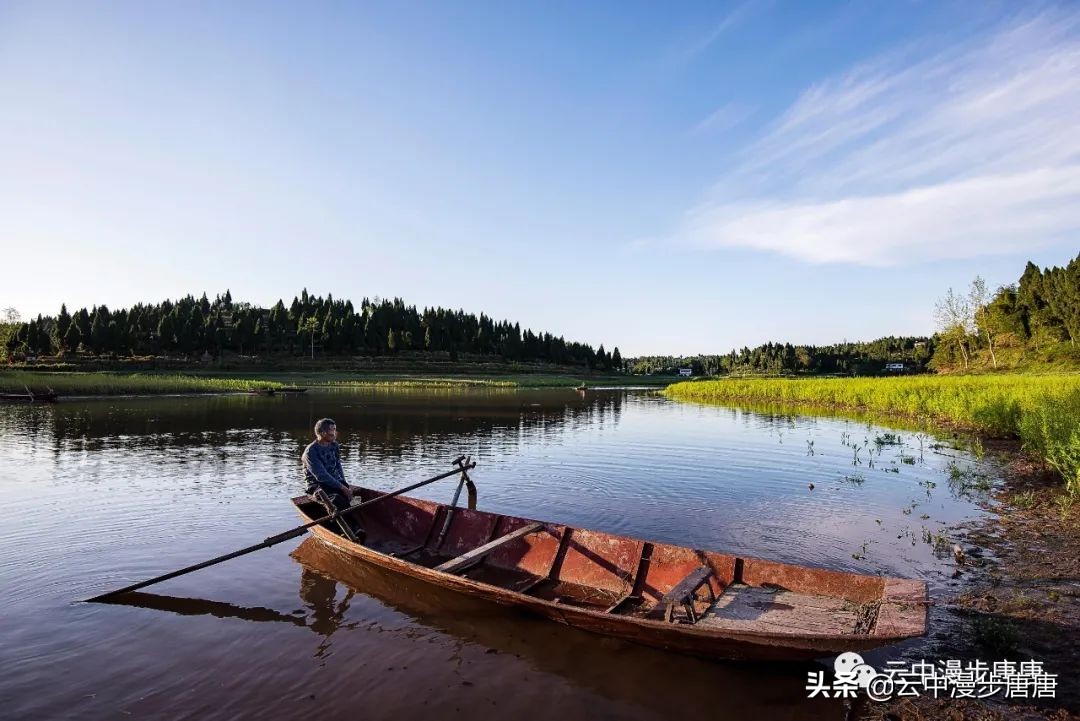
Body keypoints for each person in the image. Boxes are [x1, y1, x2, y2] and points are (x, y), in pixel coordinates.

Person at [302, 417, 365, 541]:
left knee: (356, 499)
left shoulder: (334, 445)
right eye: (332, 430)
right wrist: (341, 487)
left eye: (335, 429)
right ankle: (351, 530)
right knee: (337, 500)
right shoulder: (311, 452)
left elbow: (338, 466)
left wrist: (344, 484)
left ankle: (356, 525)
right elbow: (321, 476)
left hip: (334, 482)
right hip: (318, 486)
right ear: (322, 433)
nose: (335, 433)